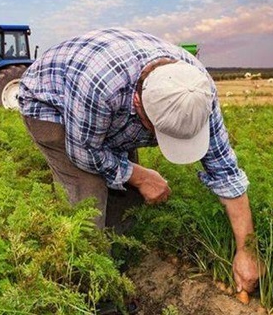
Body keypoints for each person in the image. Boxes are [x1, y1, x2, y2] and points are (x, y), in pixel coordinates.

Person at [17, 28, 259, 294]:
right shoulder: (101, 87)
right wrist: (140, 175)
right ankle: (89, 287)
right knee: (88, 198)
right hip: (52, 105)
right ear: (138, 103)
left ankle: (121, 265)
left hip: (106, 108)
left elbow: (225, 172)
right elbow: (84, 153)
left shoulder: (196, 90)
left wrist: (247, 251)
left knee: (126, 195)